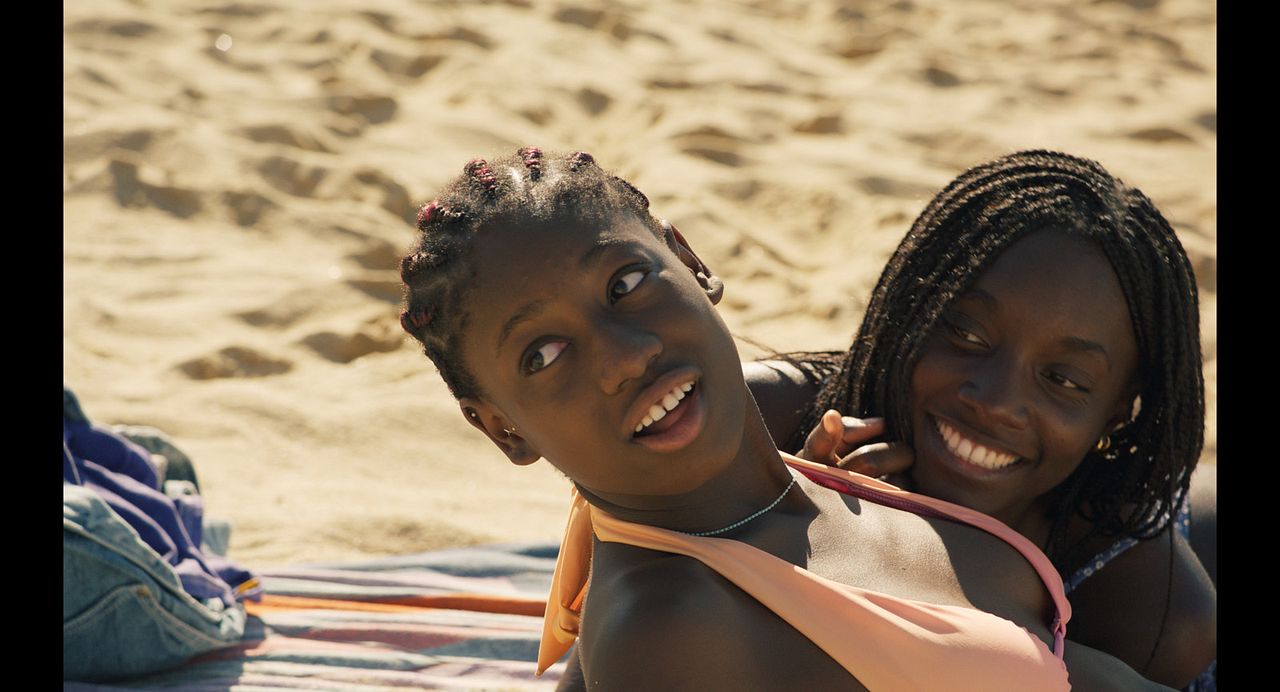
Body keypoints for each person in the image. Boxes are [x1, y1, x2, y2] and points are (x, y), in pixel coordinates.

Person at [398, 148, 1173, 690]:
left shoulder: (808, 469)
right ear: (503, 429)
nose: (622, 358)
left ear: (689, 261)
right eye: (542, 354)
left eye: (628, 282)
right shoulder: (671, 624)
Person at [745, 150, 1215, 690]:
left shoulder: (1157, 620)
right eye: (968, 335)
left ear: (1116, 411)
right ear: (912, 309)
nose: (994, 401)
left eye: (1063, 379)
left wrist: (889, 562)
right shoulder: (766, 421)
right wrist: (784, 520)